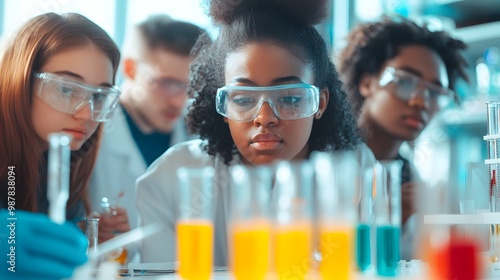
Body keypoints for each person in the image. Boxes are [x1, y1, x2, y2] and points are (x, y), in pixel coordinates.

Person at [136, 0, 374, 265]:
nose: (264, 118)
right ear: (223, 107)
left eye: (290, 99)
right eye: (243, 99)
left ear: (320, 102)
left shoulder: (357, 169)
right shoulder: (170, 179)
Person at [337, 16, 469, 260]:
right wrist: (384, 216)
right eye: (405, 82)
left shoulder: (408, 172)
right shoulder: (330, 157)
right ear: (367, 82)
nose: (420, 101)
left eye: (434, 92)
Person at [0, 12, 121, 279]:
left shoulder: (59, 168)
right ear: (20, 80)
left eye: (99, 97)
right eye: (67, 89)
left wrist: (86, 238)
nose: (86, 114)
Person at [88, 16, 207, 253]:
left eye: (191, 86)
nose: (180, 100)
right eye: (167, 83)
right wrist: (86, 232)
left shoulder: (198, 143)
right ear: (130, 69)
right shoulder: (89, 131)